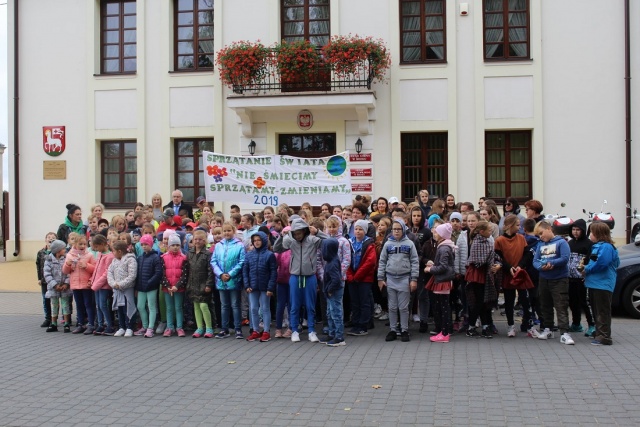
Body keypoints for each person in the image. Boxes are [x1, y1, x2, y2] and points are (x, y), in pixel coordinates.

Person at [273, 218, 328, 343]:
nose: (297, 236)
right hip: (295, 277)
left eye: (300, 233)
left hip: (310, 277)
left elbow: (329, 242)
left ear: (304, 231)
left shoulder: (312, 240)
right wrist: (281, 236)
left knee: (310, 305)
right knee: (294, 305)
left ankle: (311, 331)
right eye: (295, 233)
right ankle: (294, 331)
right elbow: (277, 248)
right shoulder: (291, 241)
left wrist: (318, 232)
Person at [533, 221, 574, 345]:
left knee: (561, 305)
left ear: (549, 229)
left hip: (559, 279)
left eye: (541, 233)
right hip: (544, 278)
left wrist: (552, 263)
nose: (541, 237)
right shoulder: (540, 244)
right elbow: (535, 261)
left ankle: (564, 333)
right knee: (545, 305)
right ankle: (548, 329)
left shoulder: (561, 242)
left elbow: (565, 258)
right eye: (538, 235)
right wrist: (540, 267)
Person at [378, 219, 419, 343]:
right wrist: (380, 278)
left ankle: (404, 329)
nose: (396, 231)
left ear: (403, 230)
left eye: (398, 229)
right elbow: (382, 261)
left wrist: (414, 279)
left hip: (404, 278)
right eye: (394, 229)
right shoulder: (387, 244)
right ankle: (393, 329)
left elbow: (415, 262)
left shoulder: (409, 244)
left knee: (403, 307)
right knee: (392, 307)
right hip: (390, 278)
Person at [493, 215, 532, 336]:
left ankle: (527, 323)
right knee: (509, 301)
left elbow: (527, 254)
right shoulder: (499, 240)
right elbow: (498, 257)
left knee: (525, 300)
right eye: (517, 225)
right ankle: (511, 325)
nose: (520, 227)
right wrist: (509, 267)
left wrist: (520, 265)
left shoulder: (521, 238)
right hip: (507, 273)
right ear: (510, 225)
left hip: (520, 273)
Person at [583, 222, 620, 346]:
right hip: (594, 283)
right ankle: (599, 332)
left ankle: (604, 336)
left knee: (602, 311)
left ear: (598, 234)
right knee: (596, 310)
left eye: (592, 233)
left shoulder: (606, 247)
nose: (590, 235)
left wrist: (586, 269)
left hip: (602, 284)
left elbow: (602, 263)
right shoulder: (598, 246)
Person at [212, 222, 246, 339]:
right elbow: (213, 261)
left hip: (234, 280)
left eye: (229, 230)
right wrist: (220, 274)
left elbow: (241, 261)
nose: (226, 233)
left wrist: (230, 274)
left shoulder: (239, 245)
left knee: (235, 305)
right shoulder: (218, 245)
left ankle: (238, 329)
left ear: (233, 231)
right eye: (224, 231)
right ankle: (224, 329)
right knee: (224, 305)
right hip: (221, 280)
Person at [464, 220, 497, 338]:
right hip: (477, 275)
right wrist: (490, 260)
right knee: (479, 302)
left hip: (484, 274)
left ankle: (485, 326)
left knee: (483, 302)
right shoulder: (477, 242)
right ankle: (471, 326)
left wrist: (496, 263)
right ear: (482, 231)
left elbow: (492, 255)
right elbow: (478, 261)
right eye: (489, 230)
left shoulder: (487, 241)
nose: (491, 232)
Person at [243, 231, 277, 342]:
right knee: (253, 308)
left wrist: (270, 287)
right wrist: (247, 285)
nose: (257, 242)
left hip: (265, 287)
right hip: (253, 286)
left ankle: (266, 331)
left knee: (265, 308)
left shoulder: (269, 255)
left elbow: (273, 272)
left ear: (264, 241)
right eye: (255, 241)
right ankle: (255, 330)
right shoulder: (249, 255)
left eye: (259, 240)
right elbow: (245, 271)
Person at [425, 223, 456, 342]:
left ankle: (444, 333)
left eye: (437, 232)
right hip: (443, 280)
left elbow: (443, 266)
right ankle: (444, 331)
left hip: (443, 280)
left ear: (442, 235)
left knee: (443, 307)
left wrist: (430, 269)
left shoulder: (443, 248)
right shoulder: (444, 247)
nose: (434, 233)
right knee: (442, 307)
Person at [346, 220, 377, 336]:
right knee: (355, 301)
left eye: (360, 229)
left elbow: (370, 262)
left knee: (364, 301)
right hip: (352, 278)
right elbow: (346, 259)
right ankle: (356, 323)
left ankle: (364, 325)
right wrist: (350, 275)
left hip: (364, 278)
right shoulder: (350, 242)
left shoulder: (369, 244)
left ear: (365, 231)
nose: (358, 231)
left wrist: (358, 275)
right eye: (356, 229)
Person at [62, 235, 96, 334]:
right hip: (75, 285)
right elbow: (65, 271)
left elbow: (94, 269)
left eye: (84, 244)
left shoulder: (89, 255)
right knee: (79, 305)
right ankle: (81, 324)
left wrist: (86, 266)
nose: (83, 246)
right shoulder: (69, 255)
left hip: (86, 285)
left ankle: (91, 324)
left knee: (88, 304)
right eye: (80, 244)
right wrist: (67, 264)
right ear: (75, 244)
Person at [567, 219, 595, 336]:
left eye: (578, 230)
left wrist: (586, 273)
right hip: (570, 277)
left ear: (583, 230)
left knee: (583, 302)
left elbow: (590, 260)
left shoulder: (589, 244)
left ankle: (591, 325)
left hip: (581, 278)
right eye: (573, 229)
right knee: (572, 301)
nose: (575, 232)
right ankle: (576, 323)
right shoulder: (570, 243)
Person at [187, 230, 216, 338]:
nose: (197, 241)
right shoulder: (190, 253)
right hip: (193, 284)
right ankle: (199, 327)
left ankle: (209, 327)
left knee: (204, 305)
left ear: (204, 241)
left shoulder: (207, 254)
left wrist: (208, 284)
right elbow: (187, 269)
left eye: (200, 239)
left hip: (203, 284)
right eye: (196, 239)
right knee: (196, 306)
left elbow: (210, 271)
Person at [135, 234, 163, 337]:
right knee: (140, 306)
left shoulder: (155, 257)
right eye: (142, 244)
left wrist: (150, 282)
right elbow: (138, 273)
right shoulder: (140, 258)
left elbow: (158, 272)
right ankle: (145, 326)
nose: (144, 246)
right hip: (141, 287)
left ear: (151, 244)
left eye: (146, 244)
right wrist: (137, 286)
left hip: (151, 287)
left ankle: (150, 328)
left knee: (151, 307)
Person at [107, 241, 138, 337]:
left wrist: (120, 284)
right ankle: (122, 327)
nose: (112, 253)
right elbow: (109, 273)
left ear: (119, 251)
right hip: (117, 290)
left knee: (128, 308)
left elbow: (132, 275)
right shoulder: (114, 261)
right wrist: (113, 284)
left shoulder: (130, 259)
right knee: (119, 308)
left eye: (113, 251)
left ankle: (130, 327)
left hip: (127, 289)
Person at [160, 234, 189, 337]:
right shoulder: (163, 257)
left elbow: (185, 274)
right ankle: (169, 327)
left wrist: (177, 286)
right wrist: (168, 286)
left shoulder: (184, 258)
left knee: (178, 307)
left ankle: (179, 327)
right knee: (169, 308)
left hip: (178, 288)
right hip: (167, 288)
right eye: (173, 245)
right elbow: (162, 274)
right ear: (169, 246)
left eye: (177, 245)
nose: (175, 247)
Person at [320, 238, 346, 346]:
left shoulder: (333, 263)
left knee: (336, 313)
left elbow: (336, 279)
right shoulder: (331, 261)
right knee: (330, 313)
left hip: (333, 291)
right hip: (330, 291)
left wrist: (330, 289)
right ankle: (332, 334)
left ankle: (339, 337)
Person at [43, 240, 72, 333]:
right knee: (54, 305)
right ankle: (53, 323)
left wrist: (66, 283)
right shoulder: (48, 260)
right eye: (63, 248)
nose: (65, 250)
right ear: (58, 250)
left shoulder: (66, 259)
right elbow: (47, 274)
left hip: (64, 288)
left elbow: (69, 272)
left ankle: (66, 323)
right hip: (53, 288)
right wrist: (54, 285)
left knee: (65, 305)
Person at [89, 234, 115, 335]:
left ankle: (109, 325)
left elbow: (106, 273)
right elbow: (96, 269)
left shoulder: (109, 256)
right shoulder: (100, 254)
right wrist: (92, 280)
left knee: (103, 305)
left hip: (103, 286)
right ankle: (100, 324)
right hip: (97, 284)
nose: (96, 249)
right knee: (98, 305)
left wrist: (96, 284)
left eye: (97, 247)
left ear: (103, 244)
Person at [274, 227, 292, 338]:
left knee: (291, 305)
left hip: (291, 281)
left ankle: (291, 327)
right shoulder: (279, 252)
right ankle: (278, 328)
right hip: (281, 281)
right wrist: (280, 236)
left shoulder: (294, 250)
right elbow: (275, 249)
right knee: (280, 305)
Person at [36, 232, 57, 328]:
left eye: (53, 237)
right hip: (44, 280)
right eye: (49, 237)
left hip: (55, 280)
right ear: (45, 239)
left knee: (55, 300)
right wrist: (39, 278)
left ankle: (55, 319)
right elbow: (38, 265)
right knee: (45, 299)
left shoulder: (57, 252)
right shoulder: (41, 252)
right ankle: (48, 318)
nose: (51, 239)